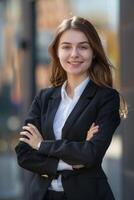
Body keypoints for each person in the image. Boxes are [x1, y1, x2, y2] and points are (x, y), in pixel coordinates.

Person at [15, 16, 125, 200]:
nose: (74, 54)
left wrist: (41, 145)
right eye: (66, 46)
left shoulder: (106, 98)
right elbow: (24, 154)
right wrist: (71, 162)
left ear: (94, 52)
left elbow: (91, 155)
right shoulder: (44, 98)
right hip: (42, 195)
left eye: (83, 47)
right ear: (57, 52)